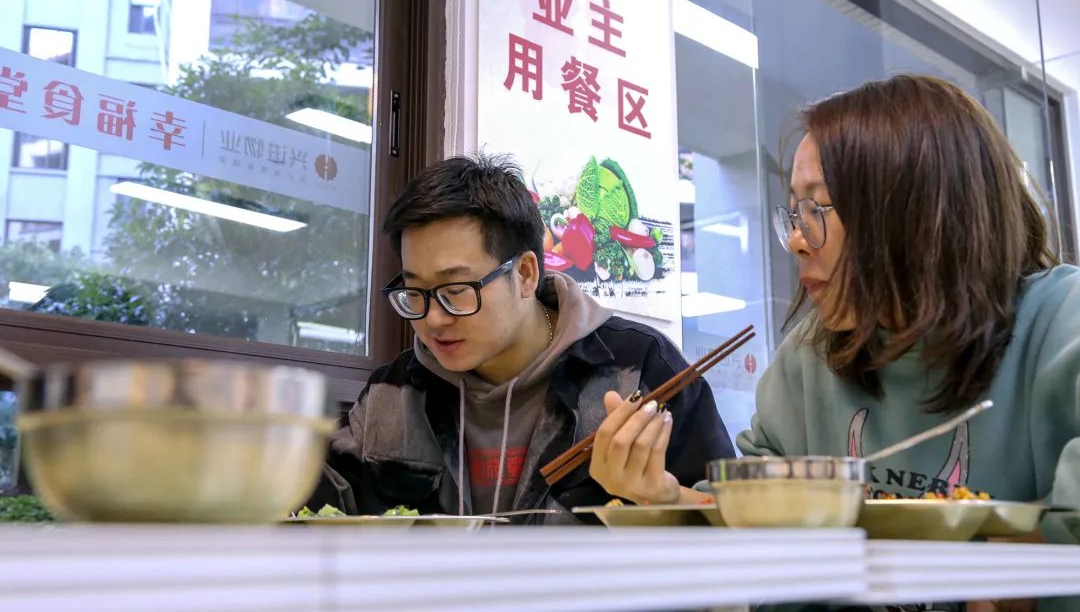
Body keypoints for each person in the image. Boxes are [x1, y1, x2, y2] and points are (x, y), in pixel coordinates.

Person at [594, 74, 1080, 609]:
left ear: (919, 210)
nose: (797, 241)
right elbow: (761, 530)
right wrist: (660, 495)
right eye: (794, 214)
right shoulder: (809, 358)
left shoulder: (1062, 323)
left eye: (818, 210)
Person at [308, 154, 734, 523]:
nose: (433, 319)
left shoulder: (638, 370)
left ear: (526, 274)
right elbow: (320, 515)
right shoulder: (394, 393)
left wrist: (662, 498)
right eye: (415, 292)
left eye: (456, 290)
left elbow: (733, 527)